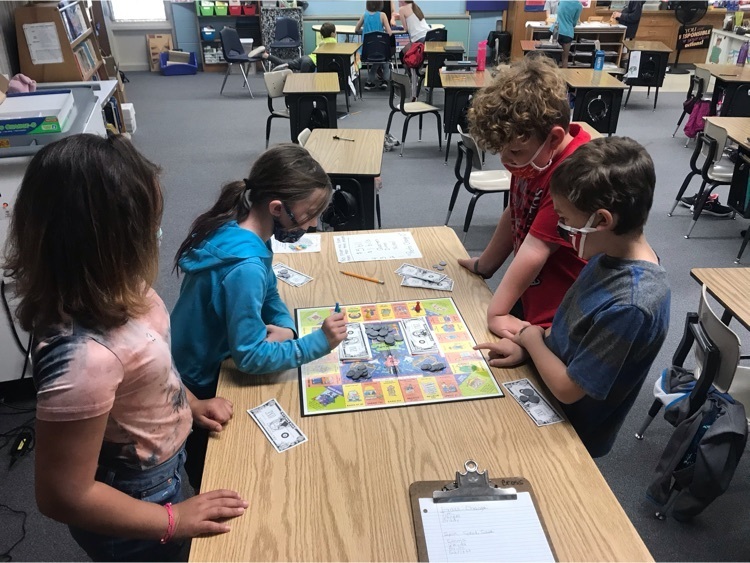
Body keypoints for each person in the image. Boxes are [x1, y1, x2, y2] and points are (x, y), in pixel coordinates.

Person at [2, 134, 247, 561]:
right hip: (136, 498)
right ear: (110, 239)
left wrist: (189, 403)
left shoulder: (120, 287)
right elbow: (63, 495)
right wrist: (174, 521)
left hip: (162, 471)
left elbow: (153, 364)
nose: (157, 233)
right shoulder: (84, 361)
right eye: (150, 223)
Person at [476, 137, 670, 458]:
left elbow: (569, 389)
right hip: (545, 388)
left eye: (565, 220)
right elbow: (572, 329)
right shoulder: (606, 253)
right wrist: (529, 348)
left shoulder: (632, 305)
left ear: (602, 221)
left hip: (570, 431)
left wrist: (531, 337)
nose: (561, 228)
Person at [170, 144, 347, 485]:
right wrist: (318, 343)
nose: (312, 225)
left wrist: (285, 327)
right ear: (277, 208)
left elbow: (268, 293)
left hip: (188, 358)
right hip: (200, 382)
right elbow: (250, 357)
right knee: (217, 472)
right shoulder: (246, 266)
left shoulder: (241, 228)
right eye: (309, 214)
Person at [458, 56, 590, 343]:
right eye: (501, 152)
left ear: (554, 139)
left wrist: (497, 312)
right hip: (531, 295)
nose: (507, 162)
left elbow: (535, 248)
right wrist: (486, 264)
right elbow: (516, 210)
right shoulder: (536, 158)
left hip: (561, 316)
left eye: (515, 152)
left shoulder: (574, 173)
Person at [262, 21, 337, 72]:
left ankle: (266, 56)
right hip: (310, 63)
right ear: (332, 33)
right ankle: (286, 67)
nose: (336, 33)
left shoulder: (323, 41)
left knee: (284, 62)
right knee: (303, 83)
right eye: (335, 31)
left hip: (306, 58)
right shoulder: (333, 41)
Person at [356, 0, 393, 91]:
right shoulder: (383, 15)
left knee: (379, 59)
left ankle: (370, 82)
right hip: (380, 50)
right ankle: (384, 81)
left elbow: (356, 29)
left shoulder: (364, 15)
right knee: (385, 60)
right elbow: (389, 33)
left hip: (366, 51)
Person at [551, 0, 582, 68]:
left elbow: (558, 15)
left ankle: (552, 73)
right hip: (568, 33)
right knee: (565, 58)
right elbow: (574, 23)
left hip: (557, 31)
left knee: (553, 57)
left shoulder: (562, 1)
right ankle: (565, 74)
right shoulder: (579, 5)